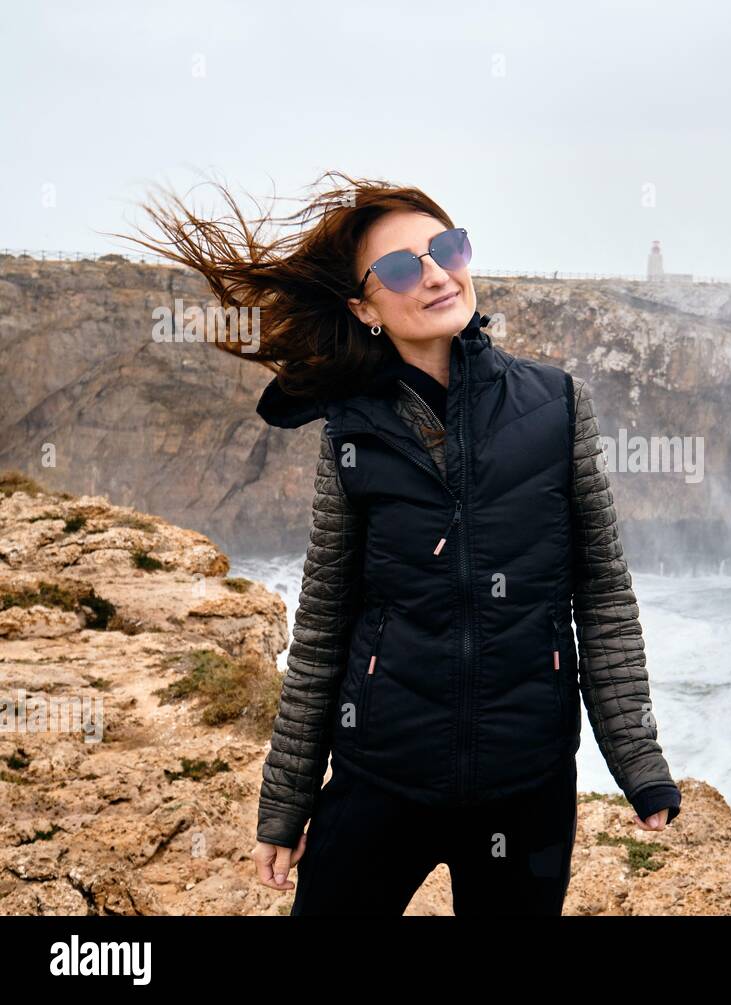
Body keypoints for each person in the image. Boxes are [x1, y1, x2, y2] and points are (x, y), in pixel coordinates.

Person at [117, 172, 681, 915]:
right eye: (399, 267)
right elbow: (323, 621)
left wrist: (636, 757)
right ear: (364, 307)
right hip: (380, 776)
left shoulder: (557, 406)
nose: (437, 273)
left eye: (446, 247)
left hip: (527, 785)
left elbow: (602, 591)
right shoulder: (351, 431)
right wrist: (286, 800)